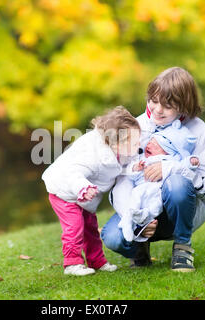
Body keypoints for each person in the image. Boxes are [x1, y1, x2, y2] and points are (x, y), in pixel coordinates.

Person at [100, 67, 205, 272]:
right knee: (112, 238)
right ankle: (139, 246)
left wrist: (172, 168)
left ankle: (183, 247)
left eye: (168, 105)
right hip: (139, 205)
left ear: (184, 105)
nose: (157, 110)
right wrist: (137, 220)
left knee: (176, 183)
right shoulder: (135, 125)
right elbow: (118, 179)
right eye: (153, 101)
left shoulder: (198, 130)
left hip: (180, 208)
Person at [41, 106, 141, 276]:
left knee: (91, 228)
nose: (139, 146)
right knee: (75, 226)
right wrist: (83, 187)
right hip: (64, 190)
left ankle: (97, 261)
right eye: (135, 143)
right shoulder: (92, 154)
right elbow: (72, 171)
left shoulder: (117, 150)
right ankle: (72, 263)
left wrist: (133, 167)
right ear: (116, 142)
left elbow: (119, 168)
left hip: (85, 195)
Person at [119, 120, 200, 243]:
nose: (149, 146)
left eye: (156, 145)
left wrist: (191, 162)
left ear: (168, 150)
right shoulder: (143, 159)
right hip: (142, 188)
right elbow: (130, 175)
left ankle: (145, 218)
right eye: (150, 142)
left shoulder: (172, 159)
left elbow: (182, 164)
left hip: (157, 192)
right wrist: (136, 168)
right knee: (135, 197)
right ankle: (128, 221)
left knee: (156, 206)